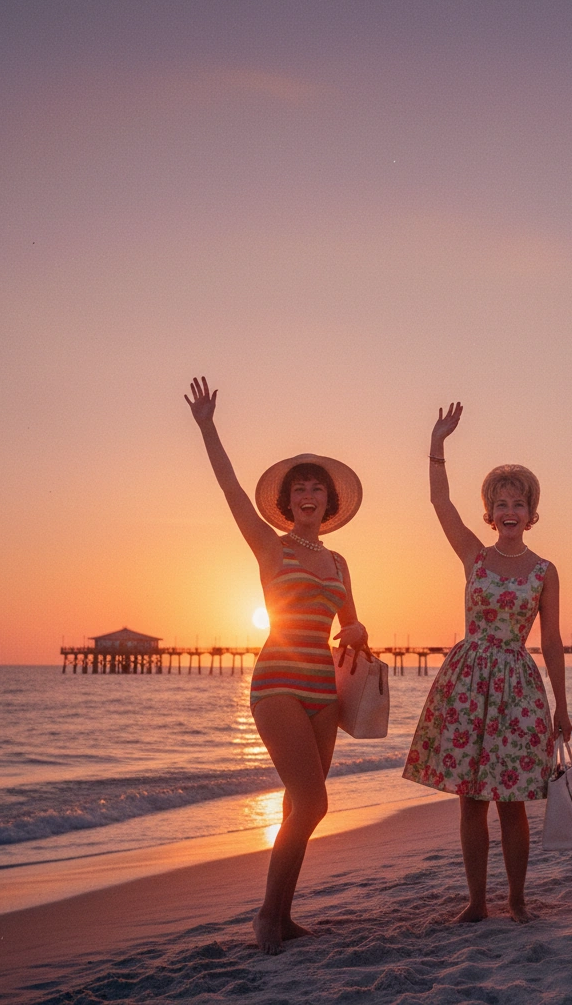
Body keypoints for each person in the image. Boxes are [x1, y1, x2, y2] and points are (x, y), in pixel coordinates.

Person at [185, 376, 368, 954]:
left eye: (317, 488)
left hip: (323, 688)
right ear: (288, 502)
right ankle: (267, 915)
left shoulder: (339, 561)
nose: (308, 496)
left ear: (328, 502)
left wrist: (359, 630)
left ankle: (284, 916)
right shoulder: (272, 547)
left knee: (298, 804)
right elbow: (232, 489)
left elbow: (352, 627)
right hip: (277, 684)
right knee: (314, 802)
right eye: (300, 489)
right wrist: (208, 426)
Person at [403, 402, 572, 924]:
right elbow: (438, 501)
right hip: (467, 681)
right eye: (500, 502)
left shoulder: (544, 570)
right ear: (490, 512)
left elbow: (552, 641)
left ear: (531, 512)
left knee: (512, 803)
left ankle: (517, 900)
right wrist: (438, 442)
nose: (508, 510)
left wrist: (561, 706)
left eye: (517, 502)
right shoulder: (474, 556)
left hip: (517, 689)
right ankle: (476, 901)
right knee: (470, 801)